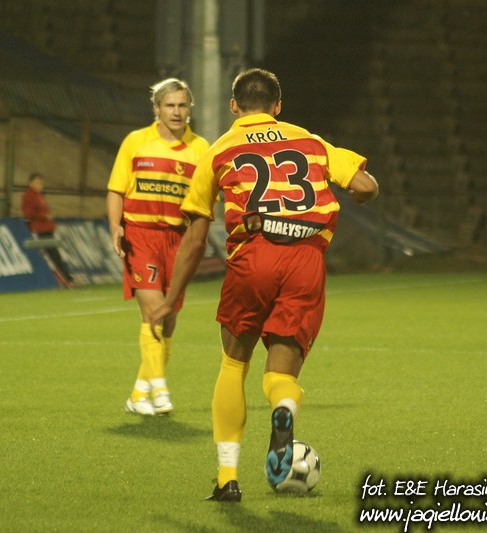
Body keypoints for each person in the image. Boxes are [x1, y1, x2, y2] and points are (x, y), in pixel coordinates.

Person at [147, 68, 379, 501]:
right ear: (278, 106)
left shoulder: (218, 150)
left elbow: (195, 239)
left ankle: (227, 479)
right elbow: (365, 185)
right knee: (281, 372)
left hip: (253, 253)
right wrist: (357, 194)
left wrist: (171, 299)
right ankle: (284, 407)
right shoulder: (309, 141)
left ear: (234, 106)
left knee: (234, 363)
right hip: (306, 258)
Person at [106, 78, 210, 416]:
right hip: (141, 234)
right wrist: (115, 226)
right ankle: (161, 390)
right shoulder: (136, 142)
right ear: (157, 109)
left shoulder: (201, 149)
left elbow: (207, 200)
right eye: (170, 105)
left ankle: (139, 395)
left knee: (169, 319)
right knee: (153, 311)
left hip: (178, 239)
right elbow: (116, 190)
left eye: (182, 105)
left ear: (189, 108)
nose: (176, 112)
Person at [21, 172, 74, 285]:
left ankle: (67, 278)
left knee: (55, 255)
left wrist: (47, 218)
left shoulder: (39, 196)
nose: (40, 185)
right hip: (39, 231)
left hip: (47, 229)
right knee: (51, 257)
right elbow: (28, 214)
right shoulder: (28, 196)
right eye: (38, 183)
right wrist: (44, 217)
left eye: (41, 183)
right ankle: (64, 280)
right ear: (30, 183)